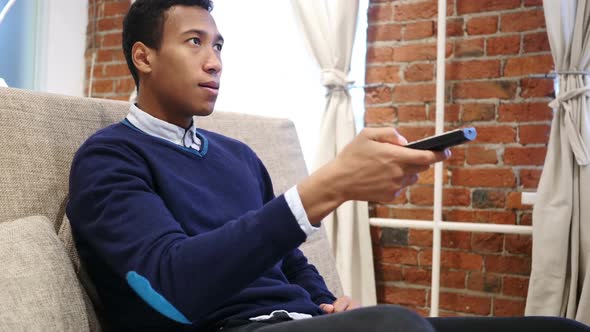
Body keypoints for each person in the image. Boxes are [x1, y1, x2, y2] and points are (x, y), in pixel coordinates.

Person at [66, 1, 589, 331]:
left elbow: (289, 261)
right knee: (394, 327)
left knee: (559, 329)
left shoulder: (239, 156)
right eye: (194, 42)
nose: (215, 61)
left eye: (219, 44)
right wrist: (329, 187)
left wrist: (325, 301)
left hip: (301, 322)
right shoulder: (109, 157)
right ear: (143, 57)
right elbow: (171, 288)